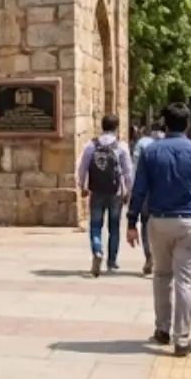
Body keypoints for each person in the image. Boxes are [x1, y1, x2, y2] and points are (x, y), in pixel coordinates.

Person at [126, 103, 191, 356]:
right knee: (186, 280)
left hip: (158, 221)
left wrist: (131, 221)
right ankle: (182, 339)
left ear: (165, 124)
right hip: (188, 221)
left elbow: (139, 190)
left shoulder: (151, 152)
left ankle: (162, 329)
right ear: (188, 123)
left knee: (162, 276)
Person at [78, 113, 133, 276]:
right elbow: (128, 171)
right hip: (115, 192)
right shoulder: (121, 146)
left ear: (102, 126)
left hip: (96, 190)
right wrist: (129, 190)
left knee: (95, 225)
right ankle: (112, 262)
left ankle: (97, 251)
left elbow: (82, 167)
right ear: (116, 127)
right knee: (114, 227)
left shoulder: (91, 145)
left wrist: (82, 185)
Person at [130, 119, 165, 276]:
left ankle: (149, 254)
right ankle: (160, 257)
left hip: (145, 190)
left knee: (145, 224)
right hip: (163, 191)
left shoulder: (142, 143)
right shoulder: (169, 143)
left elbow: (135, 168)